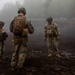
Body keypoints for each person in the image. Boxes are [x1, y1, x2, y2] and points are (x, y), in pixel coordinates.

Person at [10, 7, 34, 71]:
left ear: (18, 12)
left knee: (15, 51)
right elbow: (31, 31)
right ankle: (19, 66)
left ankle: (13, 65)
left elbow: (11, 29)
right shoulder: (26, 20)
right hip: (23, 39)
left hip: (15, 38)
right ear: (24, 13)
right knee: (22, 52)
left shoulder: (14, 19)